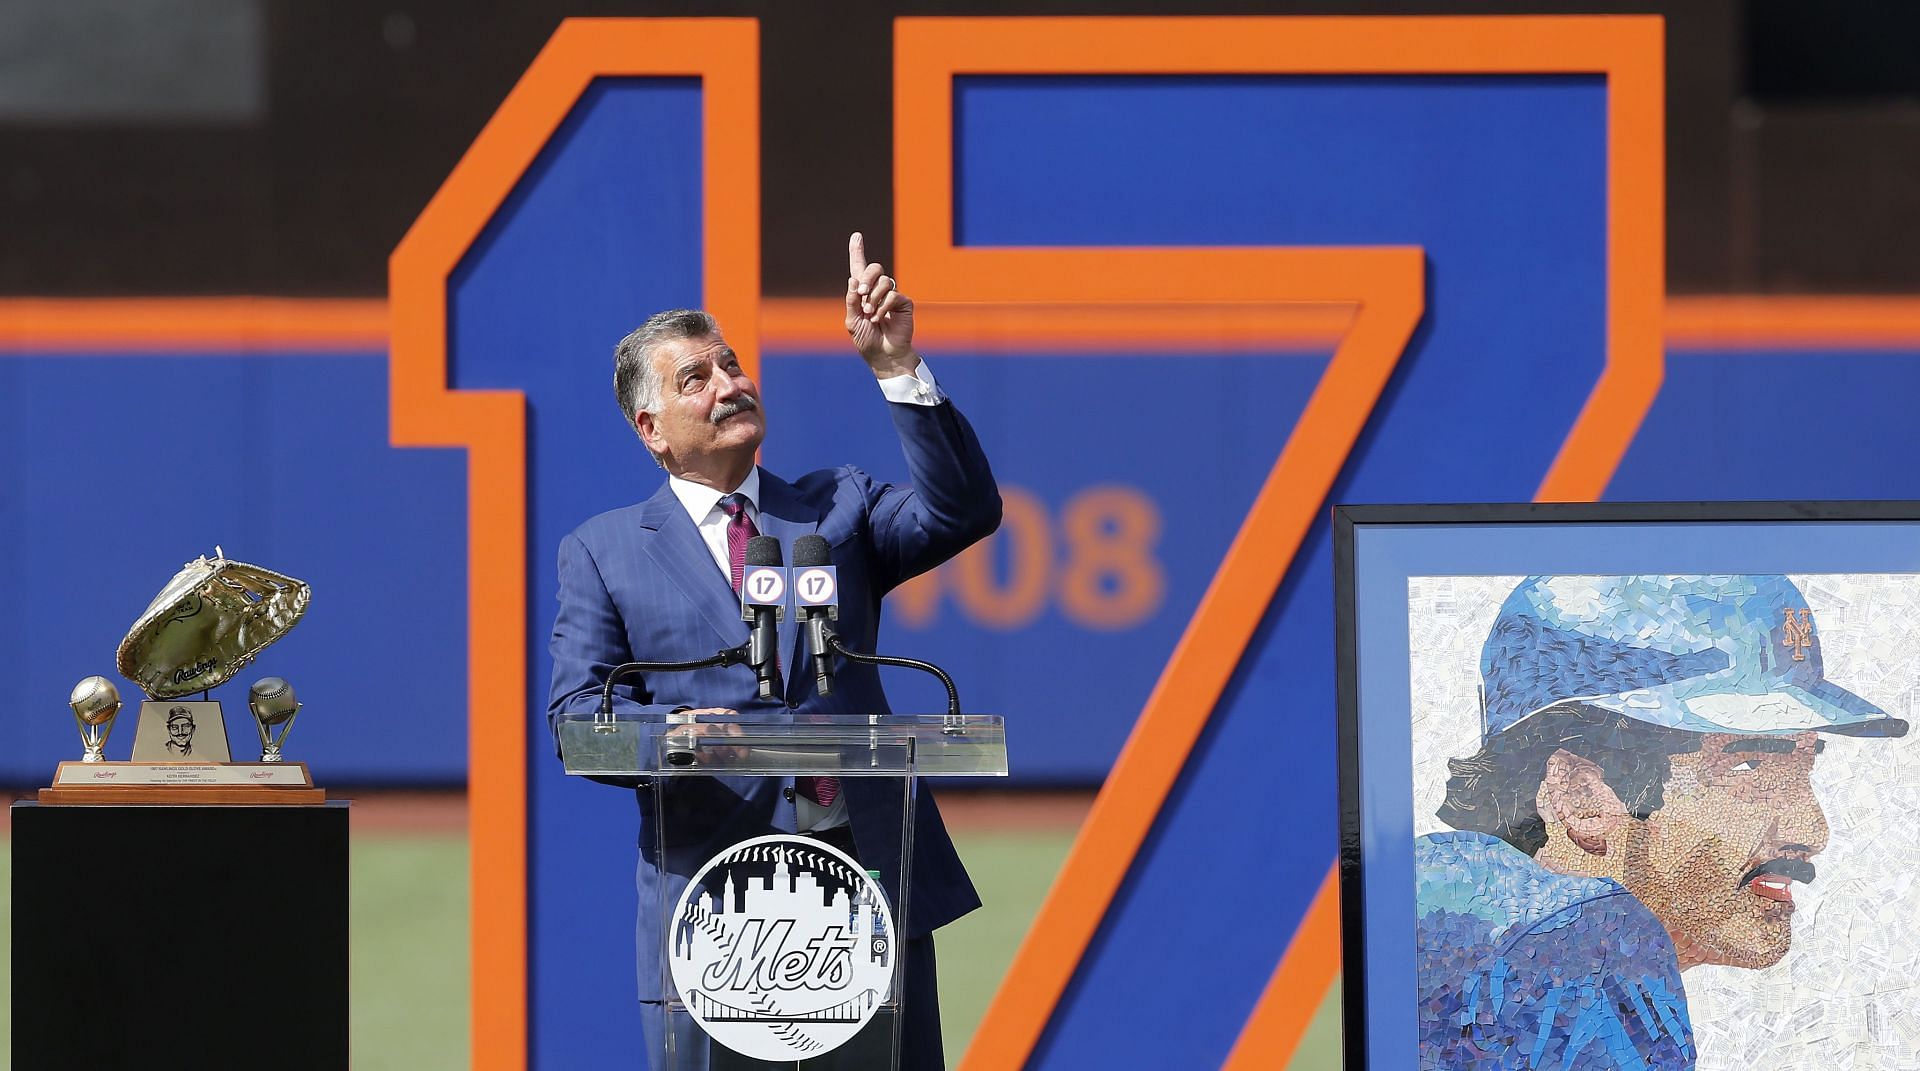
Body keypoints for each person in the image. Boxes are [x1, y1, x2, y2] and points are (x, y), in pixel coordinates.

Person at [547, 234, 1000, 1069]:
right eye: (698, 378)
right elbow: (579, 718)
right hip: (718, 908)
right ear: (651, 428)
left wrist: (896, 366)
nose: (730, 384)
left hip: (864, 885)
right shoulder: (604, 550)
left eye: (731, 365)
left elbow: (964, 511)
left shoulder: (840, 506)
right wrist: (679, 735)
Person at [1416, 574, 1908, 1069]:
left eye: (1804, 770)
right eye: (1748, 767)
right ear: (1580, 793)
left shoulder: (1421, 900)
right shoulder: (1586, 946)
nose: (1811, 831)